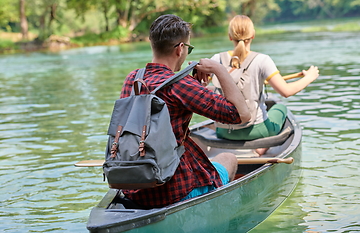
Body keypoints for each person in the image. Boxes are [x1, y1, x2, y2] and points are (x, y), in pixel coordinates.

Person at [120, 14, 251, 209]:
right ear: (181, 48)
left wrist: (195, 88)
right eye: (188, 47)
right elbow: (241, 115)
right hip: (173, 191)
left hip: (133, 188)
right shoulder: (181, 84)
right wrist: (218, 69)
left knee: (193, 142)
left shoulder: (133, 79)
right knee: (228, 159)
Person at [210, 15, 319, 155]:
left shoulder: (216, 59)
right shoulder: (262, 60)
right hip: (256, 131)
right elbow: (286, 91)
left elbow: (201, 86)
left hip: (224, 131)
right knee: (280, 108)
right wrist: (309, 77)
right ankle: (261, 148)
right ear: (253, 35)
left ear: (230, 36)